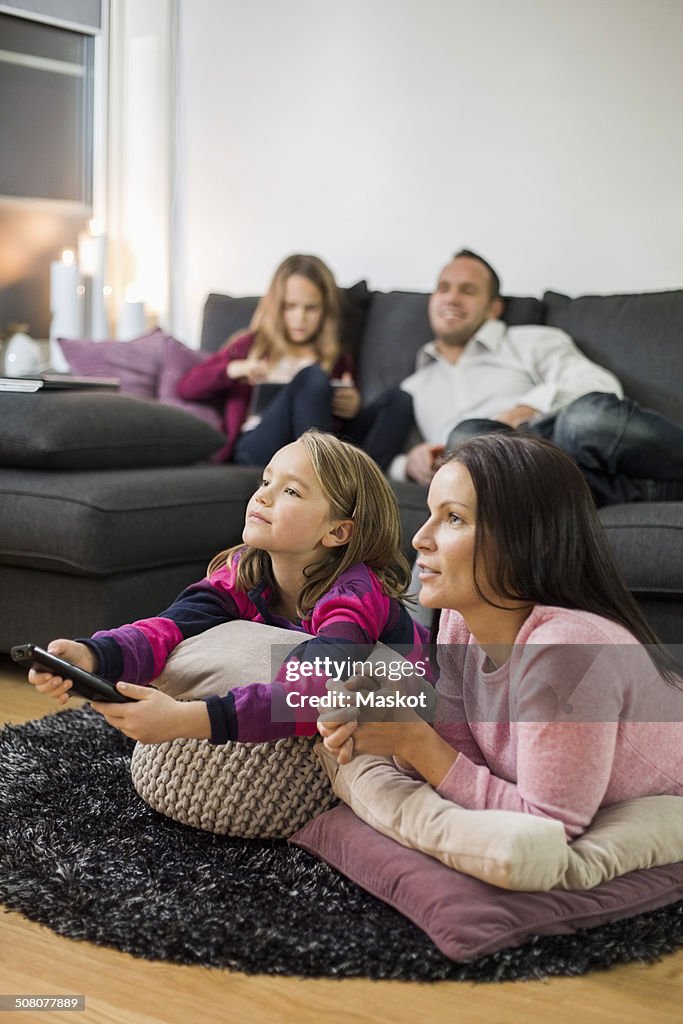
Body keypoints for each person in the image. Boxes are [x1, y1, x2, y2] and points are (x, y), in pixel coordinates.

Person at [319, 433, 683, 839]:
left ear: (534, 541)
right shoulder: (460, 624)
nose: (419, 538)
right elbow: (467, 765)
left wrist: (414, 742)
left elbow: (550, 827)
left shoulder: (565, 651)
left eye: (454, 518)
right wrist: (400, 716)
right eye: (430, 514)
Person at [27, 430, 428, 746]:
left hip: (436, 697)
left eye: (290, 491)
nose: (263, 495)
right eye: (266, 480)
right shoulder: (244, 571)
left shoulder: (354, 595)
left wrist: (188, 720)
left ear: (338, 531)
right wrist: (92, 655)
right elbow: (171, 626)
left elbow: (313, 690)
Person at [392, 249, 683, 506]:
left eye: (467, 291)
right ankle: (643, 492)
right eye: (444, 288)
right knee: (468, 441)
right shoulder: (413, 387)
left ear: (494, 308)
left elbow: (600, 386)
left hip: (554, 436)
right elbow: (374, 460)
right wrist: (409, 464)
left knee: (586, 418)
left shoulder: (530, 341)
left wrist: (525, 410)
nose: (452, 298)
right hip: (502, 475)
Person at [178, 253, 413, 470]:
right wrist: (233, 369)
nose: (299, 318)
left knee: (399, 400)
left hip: (319, 441)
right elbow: (187, 386)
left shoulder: (337, 357)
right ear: (277, 306)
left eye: (310, 309)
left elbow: (332, 426)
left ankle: (363, 482)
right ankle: (324, 477)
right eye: (290, 307)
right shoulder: (250, 345)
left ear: (325, 310)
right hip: (260, 444)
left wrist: (351, 407)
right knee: (312, 376)